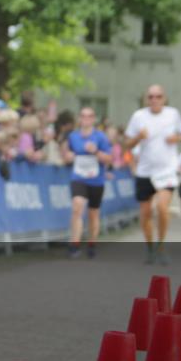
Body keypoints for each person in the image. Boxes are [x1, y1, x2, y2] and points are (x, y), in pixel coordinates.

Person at [124, 85, 181, 265]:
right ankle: (150, 247)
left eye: (158, 96)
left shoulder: (173, 114)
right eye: (150, 97)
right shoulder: (138, 117)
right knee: (145, 215)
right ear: (146, 99)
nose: (154, 100)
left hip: (166, 171)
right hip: (145, 171)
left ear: (164, 98)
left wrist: (177, 138)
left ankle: (161, 247)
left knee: (161, 207)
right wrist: (138, 138)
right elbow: (127, 143)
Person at [61, 107, 112, 259]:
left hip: (96, 179)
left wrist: (96, 152)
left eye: (89, 116)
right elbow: (66, 155)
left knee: (93, 213)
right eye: (83, 116)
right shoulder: (73, 136)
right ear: (79, 118)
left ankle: (92, 244)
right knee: (77, 206)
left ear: (94, 119)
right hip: (78, 177)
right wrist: (68, 156)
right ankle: (74, 244)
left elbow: (109, 159)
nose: (86, 119)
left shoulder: (101, 137)